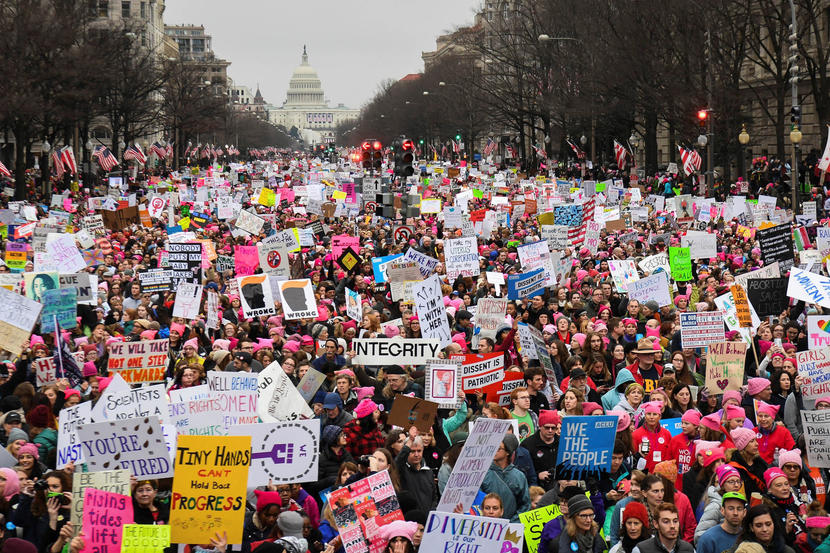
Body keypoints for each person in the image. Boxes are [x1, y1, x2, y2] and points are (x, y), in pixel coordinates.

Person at [480, 434, 530, 522]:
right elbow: (477, 502)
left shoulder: (519, 476)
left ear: (508, 452)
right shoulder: (483, 473)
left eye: (498, 448)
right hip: (486, 527)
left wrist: (512, 523)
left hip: (511, 528)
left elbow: (525, 505)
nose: (494, 450)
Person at [696, 464, 745, 541]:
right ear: (722, 485)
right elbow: (700, 535)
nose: (736, 485)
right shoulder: (715, 506)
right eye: (731, 482)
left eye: (738, 481)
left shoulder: (742, 503)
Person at [394, 428, 437, 513]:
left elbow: (434, 497)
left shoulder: (428, 472)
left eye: (419, 451)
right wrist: (410, 441)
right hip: (410, 521)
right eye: (412, 451)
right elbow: (397, 462)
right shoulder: (402, 470)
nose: (416, 454)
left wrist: (432, 514)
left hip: (427, 520)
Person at [521, 410, 560, 491]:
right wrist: (538, 475)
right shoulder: (528, 444)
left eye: (553, 428)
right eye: (547, 427)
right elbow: (522, 471)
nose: (550, 430)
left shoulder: (562, 443)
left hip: (559, 486)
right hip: (537, 489)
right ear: (540, 426)